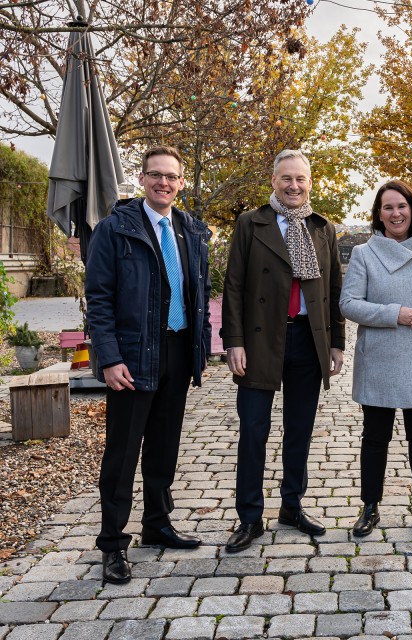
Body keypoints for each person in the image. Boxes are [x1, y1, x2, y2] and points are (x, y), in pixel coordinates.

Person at [85, 145, 212, 584]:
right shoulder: (114, 229)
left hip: (177, 352)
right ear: (142, 179)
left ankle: (157, 523)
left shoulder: (192, 230)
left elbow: (199, 293)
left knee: (163, 446)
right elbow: (98, 301)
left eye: (171, 176)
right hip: (133, 356)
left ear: (180, 182)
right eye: (155, 175)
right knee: (122, 453)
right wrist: (109, 358)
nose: (164, 183)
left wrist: (201, 348)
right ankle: (112, 542)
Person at [221, 149, 345, 552]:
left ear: (310, 183)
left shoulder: (323, 229)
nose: (294, 186)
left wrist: (337, 342)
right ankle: (250, 517)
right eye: (286, 179)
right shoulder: (250, 223)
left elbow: (333, 292)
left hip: (309, 342)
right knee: (253, 431)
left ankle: (291, 506)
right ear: (273, 181)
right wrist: (234, 341)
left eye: (301, 179)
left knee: (299, 431)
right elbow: (234, 286)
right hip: (260, 341)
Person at [339, 180, 412, 539]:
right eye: (387, 207)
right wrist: (395, 314)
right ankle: (370, 506)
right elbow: (349, 304)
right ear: (379, 215)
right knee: (375, 437)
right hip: (380, 358)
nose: (395, 213)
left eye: (401, 206)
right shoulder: (363, 254)